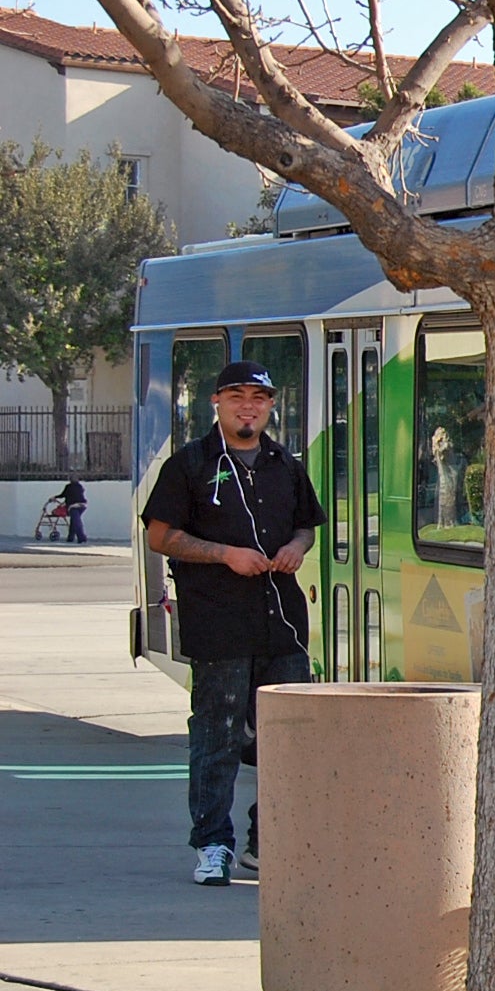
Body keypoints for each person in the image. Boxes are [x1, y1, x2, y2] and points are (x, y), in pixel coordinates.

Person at [141, 361, 325, 887]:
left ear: (270, 406)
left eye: (260, 398)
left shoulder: (284, 465)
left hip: (282, 625)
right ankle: (212, 845)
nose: (249, 407)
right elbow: (162, 535)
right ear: (217, 402)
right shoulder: (190, 464)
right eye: (238, 397)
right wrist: (225, 554)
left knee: (288, 739)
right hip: (218, 625)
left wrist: (294, 548)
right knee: (217, 737)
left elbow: (305, 528)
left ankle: (267, 843)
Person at [55, 476, 88, 544]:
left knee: (76, 522)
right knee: (74, 521)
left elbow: (63, 495)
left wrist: (55, 497)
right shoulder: (80, 486)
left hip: (73, 506)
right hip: (82, 505)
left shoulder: (68, 487)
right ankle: (70, 537)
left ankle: (82, 538)